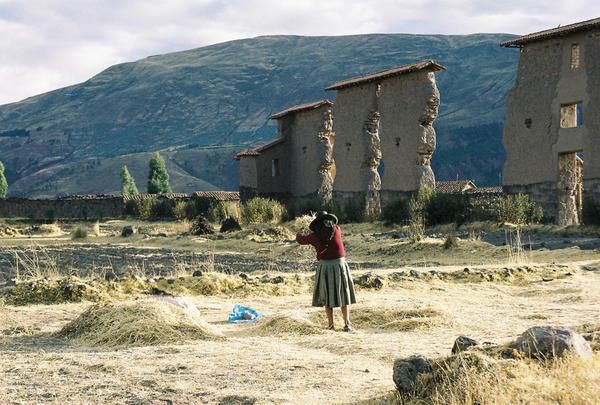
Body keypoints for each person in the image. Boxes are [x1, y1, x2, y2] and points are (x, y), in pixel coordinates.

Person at [296, 211, 356, 332]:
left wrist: (298, 232)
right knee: (343, 295)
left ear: (317, 223)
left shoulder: (315, 235)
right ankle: (347, 324)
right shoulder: (337, 229)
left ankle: (331, 325)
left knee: (328, 297)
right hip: (340, 265)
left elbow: (301, 240)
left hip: (326, 267)